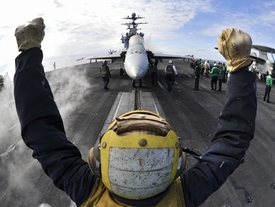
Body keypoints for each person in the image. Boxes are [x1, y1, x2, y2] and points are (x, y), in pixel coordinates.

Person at [14, 18, 257, 207]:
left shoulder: (90, 194)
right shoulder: (185, 196)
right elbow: (233, 140)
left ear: (97, 163)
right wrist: (239, 68)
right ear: (178, 164)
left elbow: (41, 132)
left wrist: (28, 54)